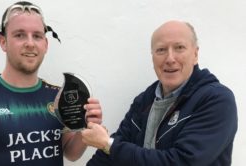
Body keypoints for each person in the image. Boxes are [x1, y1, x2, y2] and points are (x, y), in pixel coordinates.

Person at [0, 1, 102, 166]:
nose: (30, 43)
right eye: (19, 35)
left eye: (37, 36)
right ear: (3, 42)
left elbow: (70, 153)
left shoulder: (58, 97)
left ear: (45, 45)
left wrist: (86, 125)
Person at [81, 20, 238, 166]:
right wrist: (108, 145)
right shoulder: (144, 101)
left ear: (195, 55)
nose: (170, 58)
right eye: (161, 50)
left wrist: (108, 144)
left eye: (179, 48)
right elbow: (108, 156)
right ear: (152, 57)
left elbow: (182, 161)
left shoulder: (217, 100)